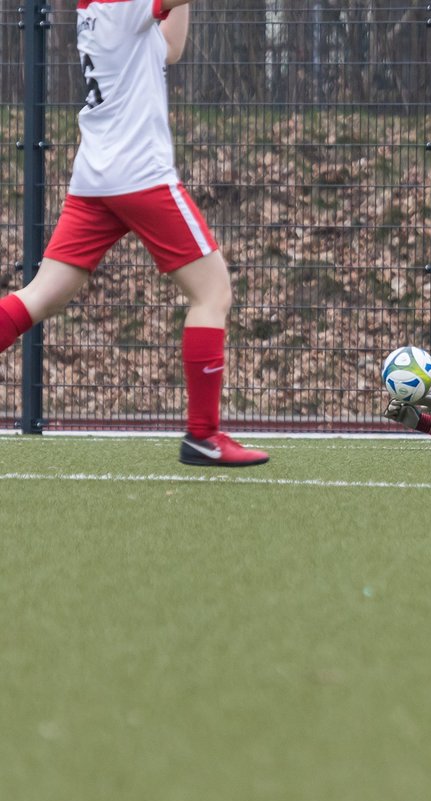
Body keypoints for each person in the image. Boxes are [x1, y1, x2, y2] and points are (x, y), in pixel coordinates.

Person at [0, 0, 268, 466]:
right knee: (213, 293)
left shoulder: (104, 10)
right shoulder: (120, 4)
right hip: (141, 177)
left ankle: (204, 436)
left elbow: (171, 48)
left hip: (96, 181)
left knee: (42, 296)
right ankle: (203, 436)